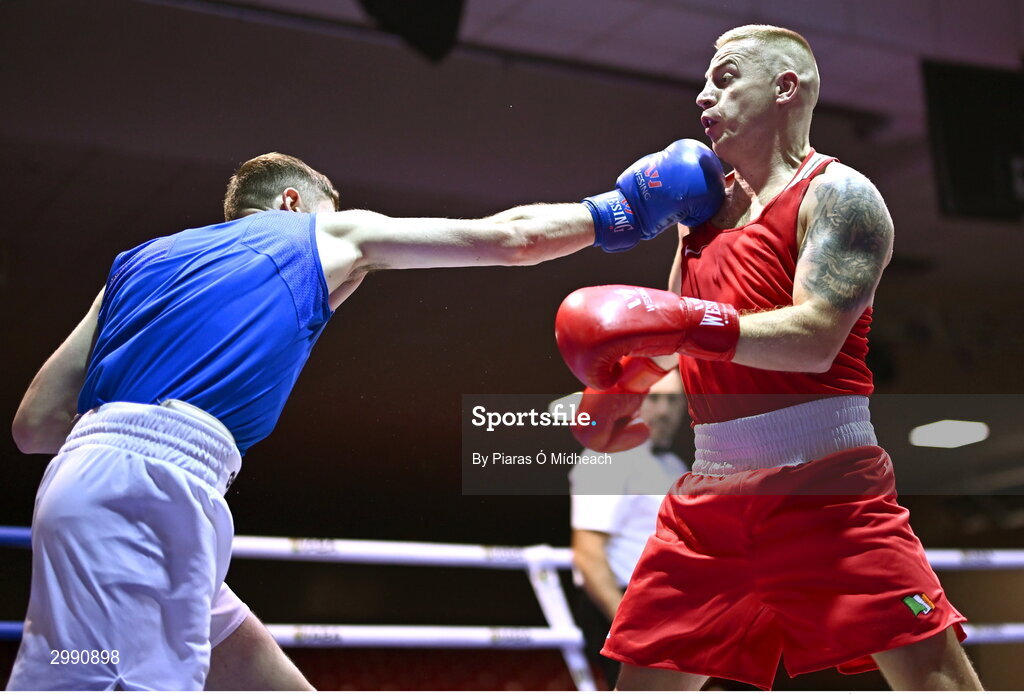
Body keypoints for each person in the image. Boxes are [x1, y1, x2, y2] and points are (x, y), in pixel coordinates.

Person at [6, 140, 725, 690]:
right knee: (97, 675)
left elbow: (34, 425)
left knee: (249, 671)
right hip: (146, 493)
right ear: (293, 204)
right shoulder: (315, 234)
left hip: (108, 485)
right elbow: (512, 239)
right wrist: (626, 212)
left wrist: (129, 440)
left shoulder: (135, 264)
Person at [554, 25, 983, 691]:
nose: (702, 96)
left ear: (786, 87)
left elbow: (814, 338)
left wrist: (686, 323)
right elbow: (674, 338)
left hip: (828, 489)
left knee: (937, 685)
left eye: (724, 78)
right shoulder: (702, 216)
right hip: (709, 496)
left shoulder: (840, 196)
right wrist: (615, 392)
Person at [569, 370, 687, 688]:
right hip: (621, 603)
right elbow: (587, 554)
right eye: (655, 398)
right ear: (633, 402)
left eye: (673, 400)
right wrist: (627, 626)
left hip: (668, 608)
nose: (664, 411)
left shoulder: (674, 467)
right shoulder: (608, 457)